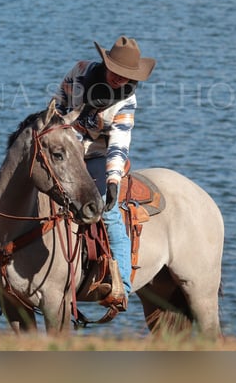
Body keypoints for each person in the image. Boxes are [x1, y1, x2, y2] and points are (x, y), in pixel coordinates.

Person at [53, 36, 156, 310]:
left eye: (126, 76)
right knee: (26, 178)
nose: (120, 79)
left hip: (99, 155)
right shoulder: (80, 72)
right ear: (105, 64)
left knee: (107, 212)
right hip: (66, 147)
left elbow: (119, 143)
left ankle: (120, 283)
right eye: (116, 72)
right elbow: (58, 104)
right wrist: (56, 134)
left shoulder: (126, 101)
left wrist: (112, 180)